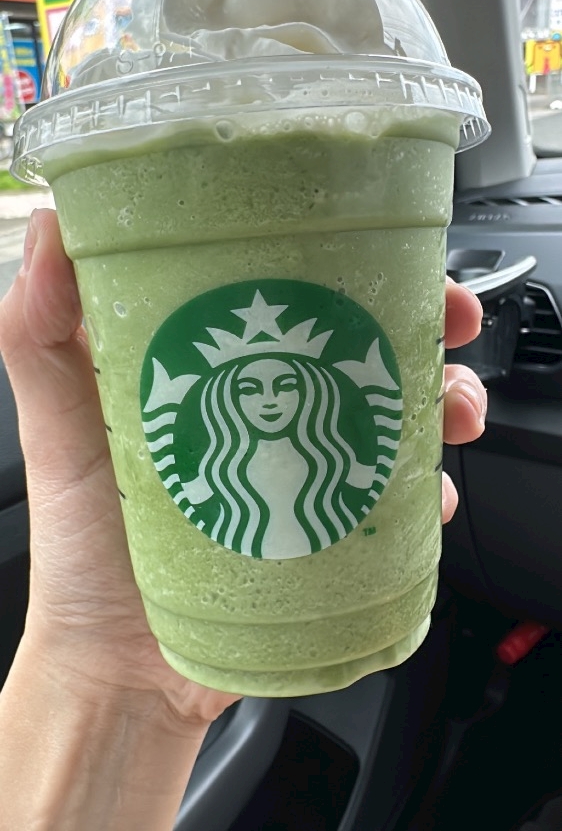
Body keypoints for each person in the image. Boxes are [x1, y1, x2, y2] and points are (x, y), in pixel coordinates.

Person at [0, 208, 487, 830]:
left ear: (313, 390)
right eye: (249, 390)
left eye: (285, 386)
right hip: (170, 624)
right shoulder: (218, 477)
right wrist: (107, 674)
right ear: (225, 398)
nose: (268, 402)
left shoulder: (329, 469)